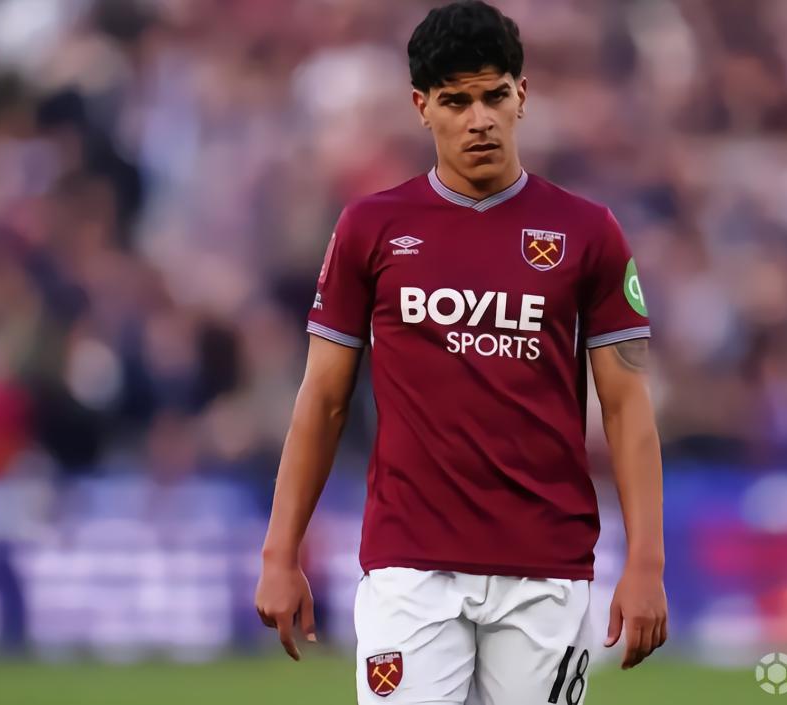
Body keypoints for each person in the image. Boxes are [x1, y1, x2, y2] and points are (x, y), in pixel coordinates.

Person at [255, 2, 667, 702]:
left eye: (494, 96)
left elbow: (627, 406)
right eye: (455, 101)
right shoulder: (370, 228)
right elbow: (322, 399)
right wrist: (279, 552)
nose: (479, 119)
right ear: (422, 107)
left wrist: (647, 564)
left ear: (522, 95)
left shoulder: (588, 233)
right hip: (409, 567)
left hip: (546, 566)